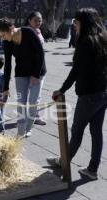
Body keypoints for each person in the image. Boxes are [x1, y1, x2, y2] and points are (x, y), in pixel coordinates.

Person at [47, 8, 107, 180]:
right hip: (102, 93)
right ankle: (92, 169)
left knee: (77, 130)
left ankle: (63, 163)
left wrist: (61, 90)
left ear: (84, 22)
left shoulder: (86, 41)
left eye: (77, 21)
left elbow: (76, 70)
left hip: (89, 95)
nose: (74, 24)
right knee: (97, 132)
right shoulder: (103, 37)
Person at [0, 19, 46, 138]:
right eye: (0, 36)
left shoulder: (28, 32)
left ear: (11, 29)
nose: (3, 38)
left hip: (37, 71)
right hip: (21, 73)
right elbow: (8, 64)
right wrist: (5, 87)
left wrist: (36, 75)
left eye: (3, 35)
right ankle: (21, 131)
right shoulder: (7, 42)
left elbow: (40, 53)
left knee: (33, 102)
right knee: (21, 102)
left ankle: (28, 128)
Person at [26, 11, 46, 126]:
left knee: (36, 94)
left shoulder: (38, 31)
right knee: (32, 95)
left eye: (40, 20)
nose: (38, 22)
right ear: (29, 20)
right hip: (32, 69)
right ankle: (31, 117)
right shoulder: (28, 32)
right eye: (35, 20)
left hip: (41, 67)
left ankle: (35, 115)